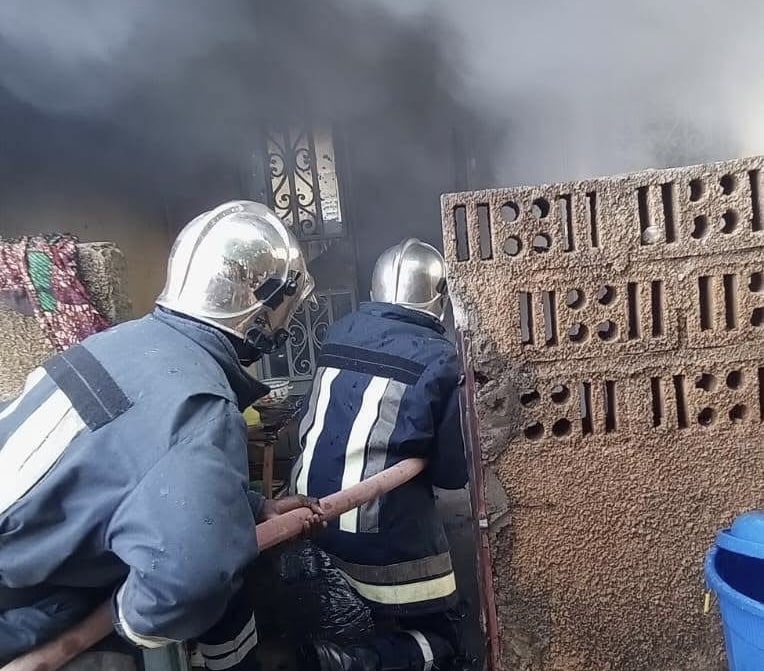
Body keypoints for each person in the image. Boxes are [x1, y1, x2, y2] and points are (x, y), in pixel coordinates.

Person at [0, 200, 323, 671]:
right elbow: (190, 580)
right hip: (24, 620)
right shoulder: (202, 407)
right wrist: (102, 628)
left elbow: (125, 470)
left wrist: (252, 507)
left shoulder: (117, 342)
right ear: (263, 312)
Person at [291, 238, 469, 671]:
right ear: (440, 298)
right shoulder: (442, 358)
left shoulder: (339, 331)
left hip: (307, 519)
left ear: (375, 290)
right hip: (377, 534)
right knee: (446, 637)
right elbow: (451, 474)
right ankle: (359, 662)